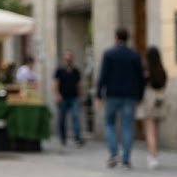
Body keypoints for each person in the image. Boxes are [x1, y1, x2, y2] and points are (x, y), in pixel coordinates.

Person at [95, 29, 145, 169]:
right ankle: (126, 159)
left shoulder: (109, 54)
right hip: (130, 95)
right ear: (127, 39)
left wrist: (99, 93)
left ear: (116, 38)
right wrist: (140, 95)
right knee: (128, 125)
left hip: (112, 95)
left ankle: (113, 153)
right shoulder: (134, 55)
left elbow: (103, 74)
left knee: (110, 123)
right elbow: (140, 77)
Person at [139, 46, 168, 169]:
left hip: (149, 101)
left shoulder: (146, 71)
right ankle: (154, 153)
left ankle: (152, 156)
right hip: (160, 101)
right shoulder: (162, 71)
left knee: (149, 131)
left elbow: (141, 86)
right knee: (155, 131)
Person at [53, 50, 83, 147]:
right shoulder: (59, 70)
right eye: (67, 56)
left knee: (75, 117)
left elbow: (78, 84)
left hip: (74, 97)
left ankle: (77, 137)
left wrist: (80, 96)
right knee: (62, 118)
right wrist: (57, 95)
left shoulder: (75, 70)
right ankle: (63, 138)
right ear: (64, 58)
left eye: (70, 56)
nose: (68, 58)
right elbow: (55, 83)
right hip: (63, 97)